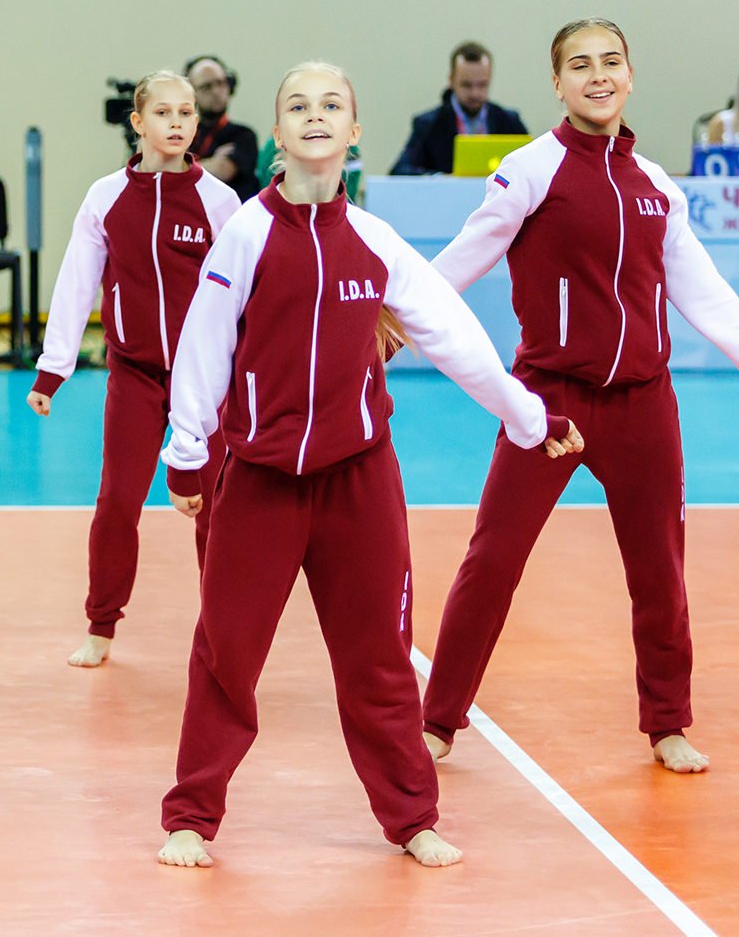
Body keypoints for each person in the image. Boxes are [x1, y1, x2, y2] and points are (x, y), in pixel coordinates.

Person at [154, 60, 578, 872]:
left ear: (354, 132)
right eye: (298, 105)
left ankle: (413, 815)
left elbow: (454, 336)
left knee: (380, 656)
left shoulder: (378, 243)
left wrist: (530, 416)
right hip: (261, 482)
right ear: (277, 134)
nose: (315, 115)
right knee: (226, 652)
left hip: (360, 480)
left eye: (331, 104)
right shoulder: (244, 233)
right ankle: (192, 816)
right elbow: (203, 346)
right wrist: (187, 451)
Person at [421, 18, 739, 777]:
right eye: (580, 64)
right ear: (558, 83)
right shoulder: (528, 170)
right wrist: (393, 323)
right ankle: (438, 720)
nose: (597, 75)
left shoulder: (656, 187)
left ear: (630, 76)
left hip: (643, 405)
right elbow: (463, 257)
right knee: (493, 559)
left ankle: (668, 723)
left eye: (610, 62)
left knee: (659, 573)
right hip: (548, 403)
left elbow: (701, 290)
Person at [30, 70, 240, 669]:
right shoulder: (105, 197)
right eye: (163, 113)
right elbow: (76, 283)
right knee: (118, 501)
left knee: (214, 508)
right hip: (134, 376)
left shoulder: (220, 202)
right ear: (138, 122)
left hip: (205, 383)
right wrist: (52, 370)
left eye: (186, 113)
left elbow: (244, 294)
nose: (176, 123)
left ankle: (225, 633)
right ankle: (101, 626)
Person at [391, 42, 527, 174]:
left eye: (482, 85)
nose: (474, 93)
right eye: (466, 85)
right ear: (451, 80)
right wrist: (441, 179)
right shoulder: (428, 124)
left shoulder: (509, 121)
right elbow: (400, 171)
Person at [185, 55, 259, 198]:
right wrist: (207, 164)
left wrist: (180, 167)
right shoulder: (186, 135)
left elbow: (222, 170)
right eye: (206, 87)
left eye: (221, 83)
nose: (216, 91)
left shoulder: (243, 135)